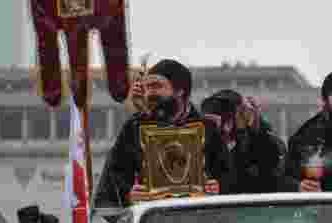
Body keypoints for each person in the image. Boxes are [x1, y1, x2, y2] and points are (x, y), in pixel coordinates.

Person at [93, 58, 230, 208]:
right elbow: (112, 181)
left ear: (179, 90)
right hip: (152, 222)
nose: (150, 93)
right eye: (148, 87)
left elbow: (230, 177)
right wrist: (129, 195)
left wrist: (218, 188)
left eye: (156, 86)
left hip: (198, 220)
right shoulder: (134, 127)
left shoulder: (207, 128)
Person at [200, 89, 285, 194]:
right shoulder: (205, 144)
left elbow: (271, 179)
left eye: (228, 118)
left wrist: (256, 125)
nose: (223, 127)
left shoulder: (260, 144)